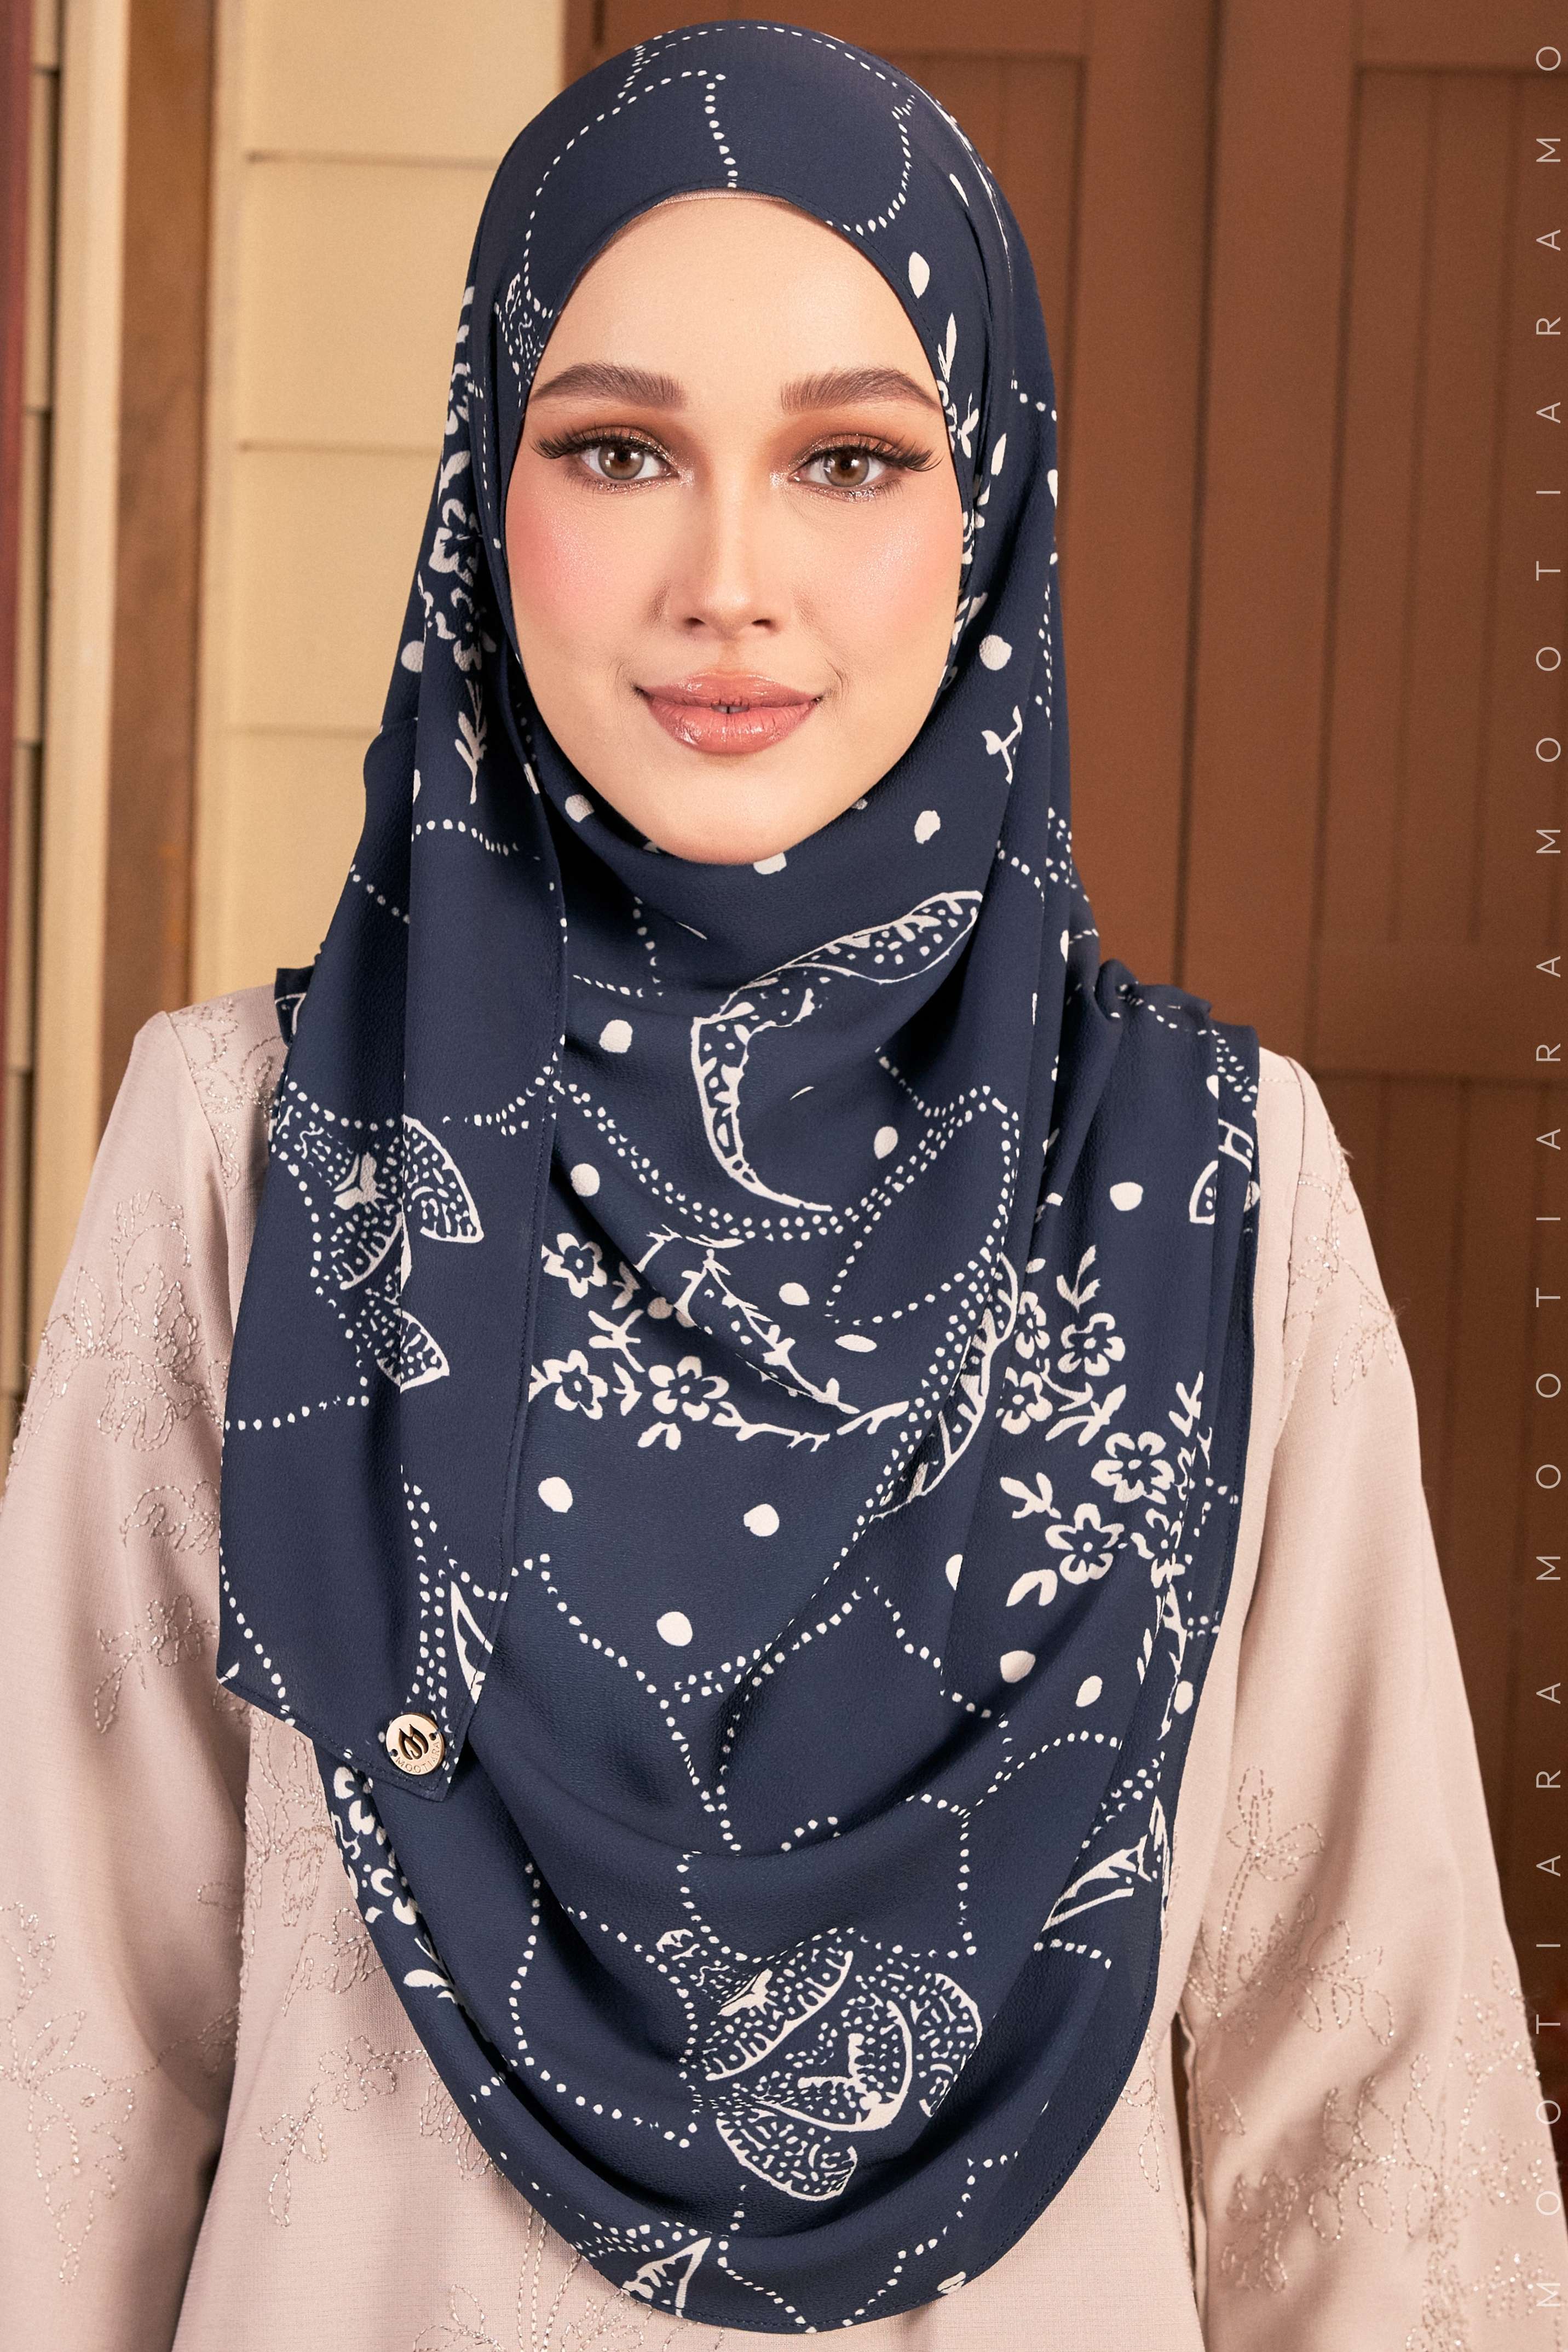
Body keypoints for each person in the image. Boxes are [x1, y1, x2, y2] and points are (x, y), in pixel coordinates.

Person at [1, 22, 1562, 2349]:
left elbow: (1370, 2121)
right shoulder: (248, 1151)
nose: (727, 580)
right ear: (484, 486)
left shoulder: (1219, 1187)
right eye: (616, 448)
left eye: (848, 458)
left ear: (988, 505)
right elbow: (60, 2072)